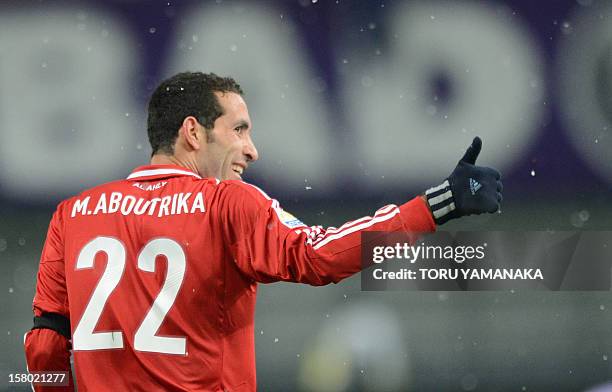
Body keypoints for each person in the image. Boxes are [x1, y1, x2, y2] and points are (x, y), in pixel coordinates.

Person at [24, 72, 502, 391]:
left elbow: (45, 346)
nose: (252, 150)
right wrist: (436, 205)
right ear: (193, 132)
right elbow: (318, 256)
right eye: (239, 130)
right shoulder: (227, 204)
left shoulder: (74, 213)